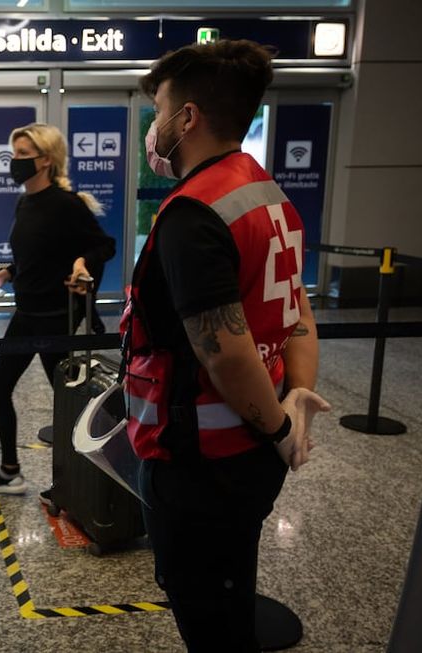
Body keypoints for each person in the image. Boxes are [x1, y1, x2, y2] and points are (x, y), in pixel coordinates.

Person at [122, 40, 330, 652]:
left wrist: (274, 429)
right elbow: (299, 315)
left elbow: (225, 352)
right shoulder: (267, 195)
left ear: (187, 118)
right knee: (231, 586)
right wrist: (292, 413)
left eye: (159, 109)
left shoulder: (194, 212)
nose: (153, 127)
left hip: (200, 461)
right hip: (252, 453)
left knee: (203, 607)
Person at [0, 123, 115, 496]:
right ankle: (10, 472)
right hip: (27, 313)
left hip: (56, 320)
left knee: (68, 406)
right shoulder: (25, 202)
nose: (14, 162)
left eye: (22, 155)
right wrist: (10, 271)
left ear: (46, 160)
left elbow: (104, 245)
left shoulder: (66, 204)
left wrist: (83, 261)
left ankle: (72, 482)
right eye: (14, 154)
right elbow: (40, 254)